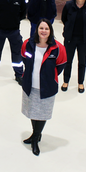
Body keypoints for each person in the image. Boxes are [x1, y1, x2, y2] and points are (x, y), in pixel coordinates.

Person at [20, 19, 67, 156]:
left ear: (50, 31)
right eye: (41, 28)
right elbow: (24, 58)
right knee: (32, 111)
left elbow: (61, 65)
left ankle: (35, 138)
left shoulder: (58, 48)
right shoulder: (28, 44)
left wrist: (49, 76)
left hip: (46, 87)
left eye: (46, 29)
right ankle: (36, 134)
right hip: (30, 85)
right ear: (37, 30)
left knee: (42, 113)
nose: (43, 31)